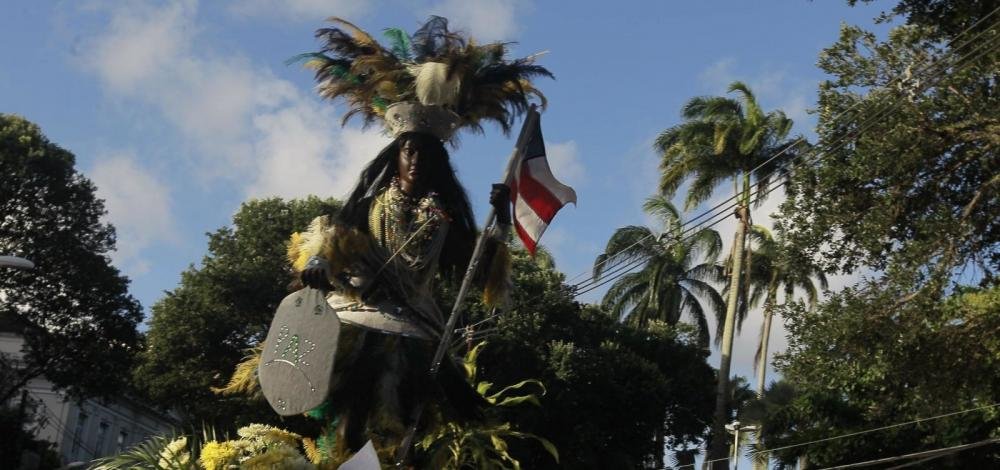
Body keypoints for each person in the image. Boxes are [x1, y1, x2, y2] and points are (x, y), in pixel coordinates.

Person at [286, 128, 512, 463]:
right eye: (409, 152)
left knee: (406, 424)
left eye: (425, 155)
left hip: (414, 326)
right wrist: (318, 265)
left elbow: (479, 268)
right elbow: (332, 245)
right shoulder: (367, 207)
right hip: (359, 314)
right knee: (350, 420)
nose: (416, 161)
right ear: (396, 158)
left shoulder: (442, 221)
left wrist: (502, 219)